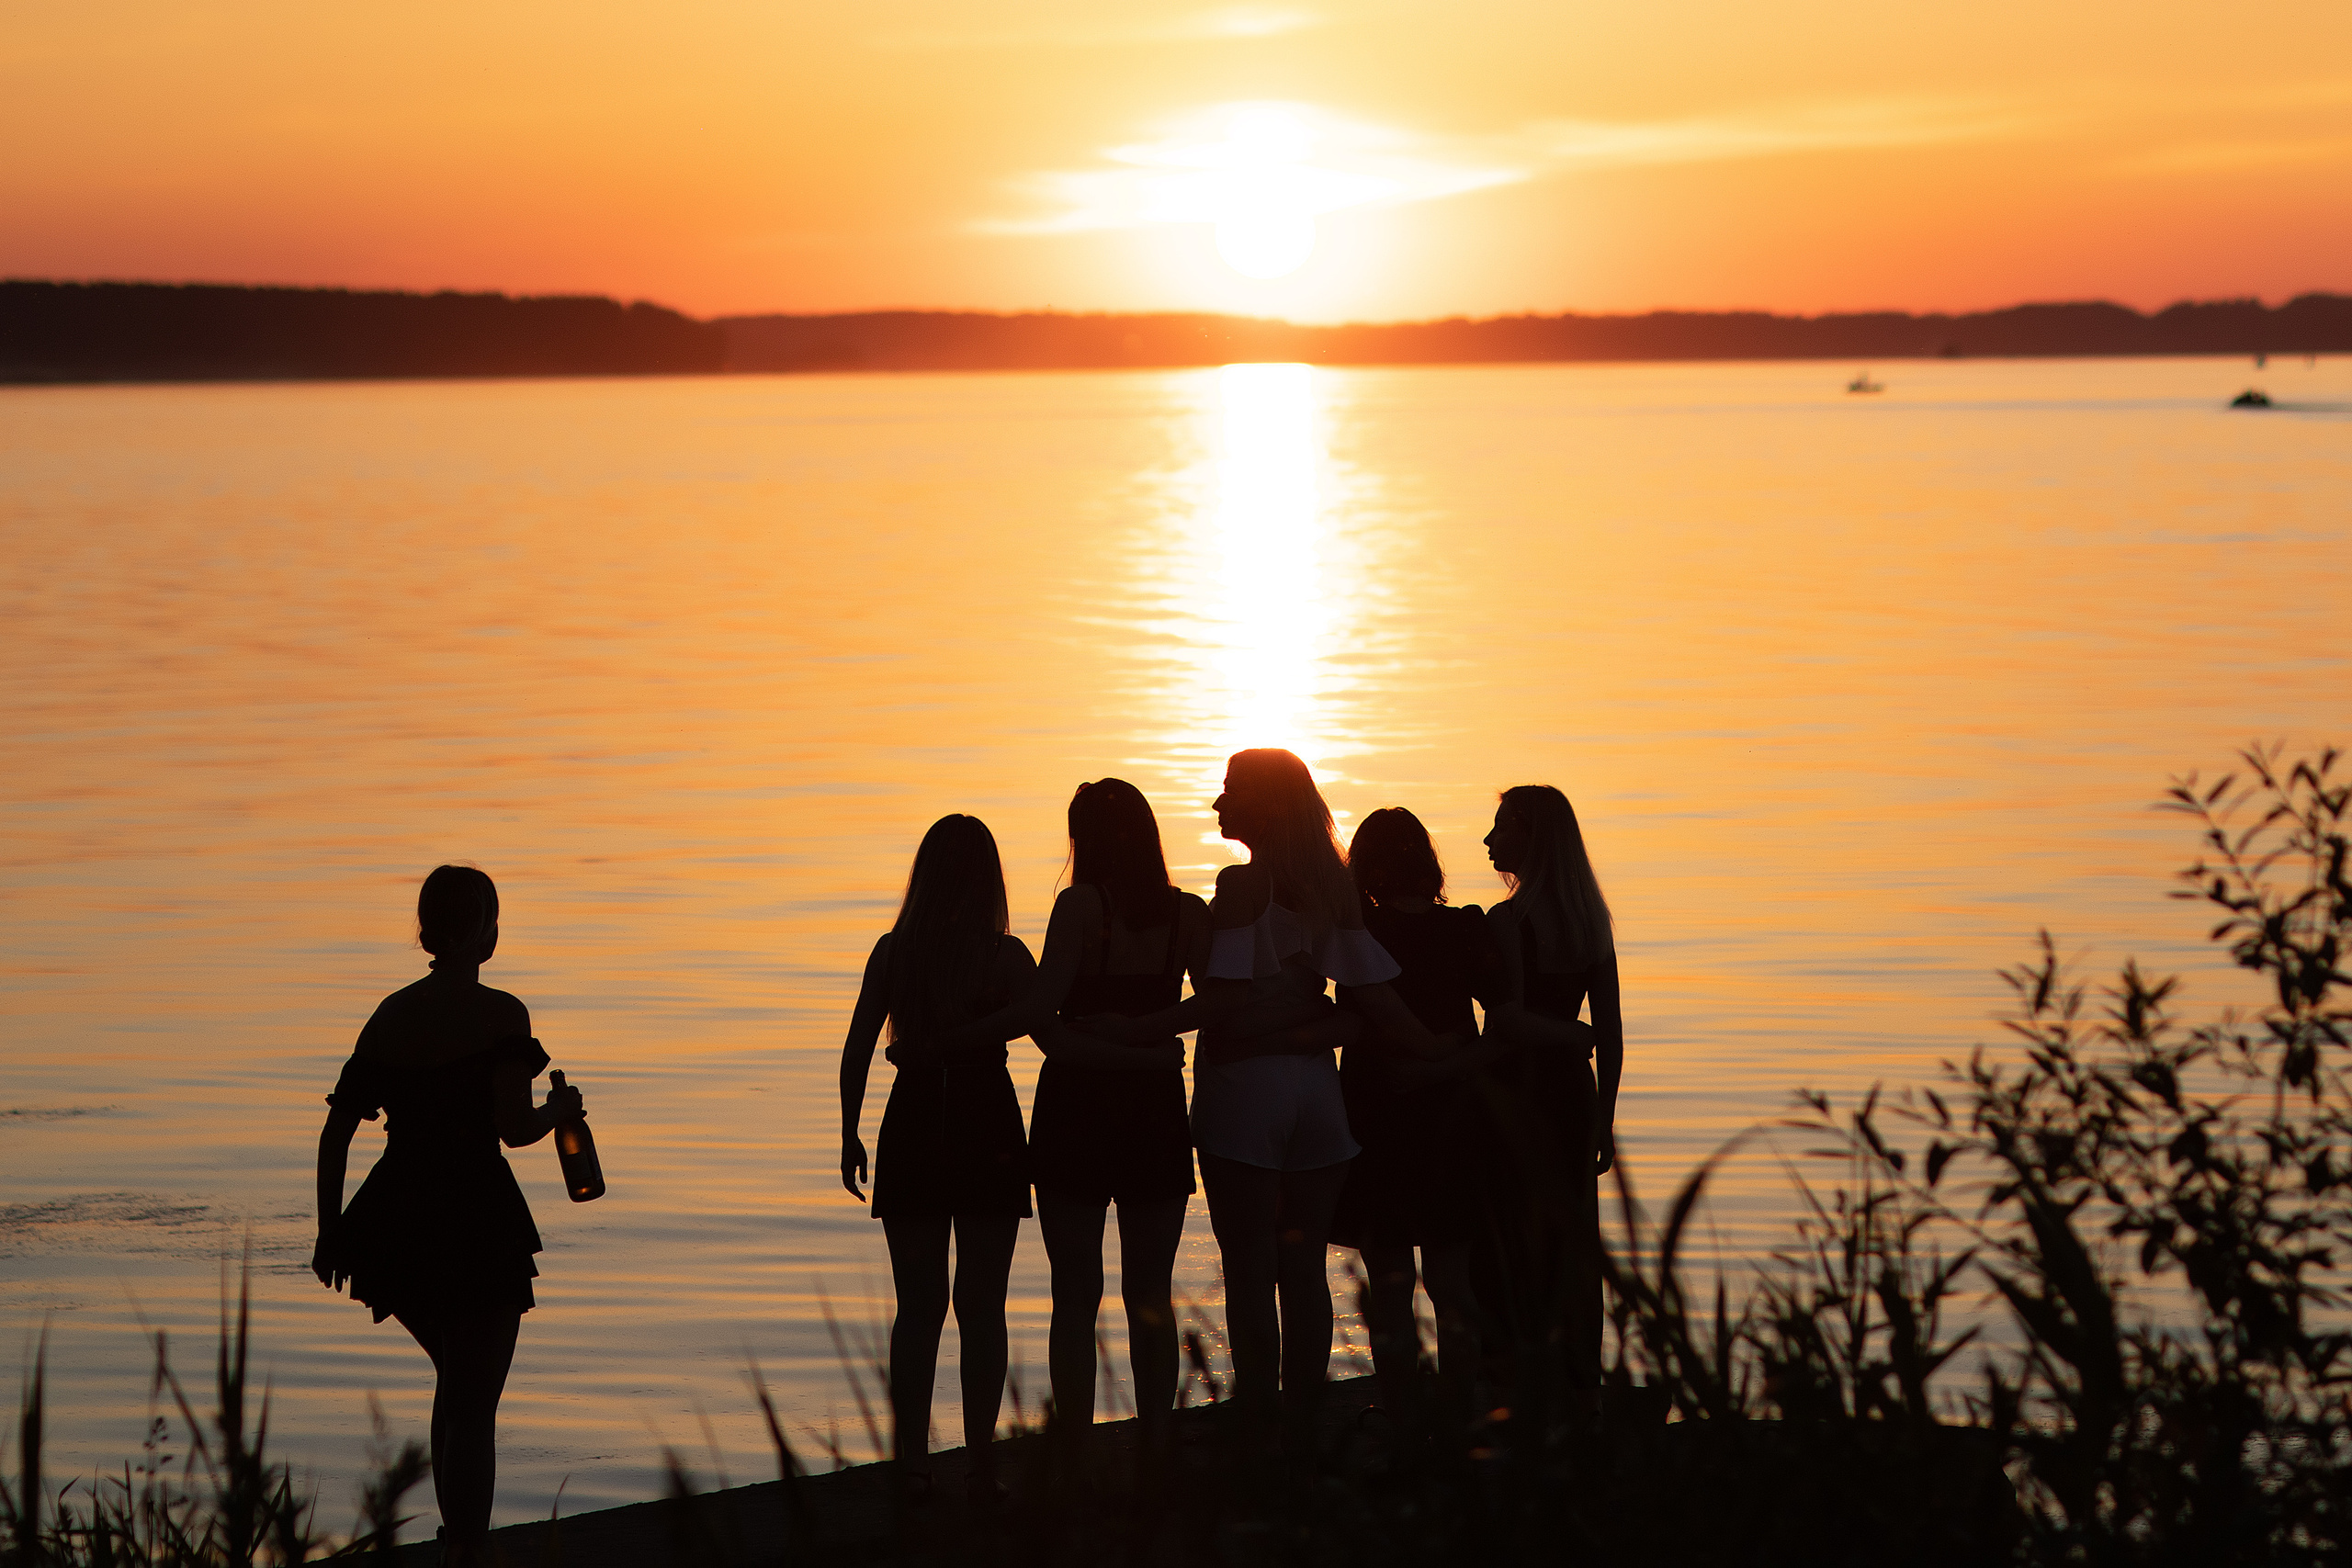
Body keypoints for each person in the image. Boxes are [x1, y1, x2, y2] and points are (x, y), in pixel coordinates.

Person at [1084, 749, 1452, 1457]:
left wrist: (1134, 1029)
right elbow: (1369, 1000)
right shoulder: (1332, 888)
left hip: (1246, 1096)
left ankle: (1260, 1421)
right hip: (1317, 1093)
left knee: (1251, 1269)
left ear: (1262, 804)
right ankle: (1306, 1419)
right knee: (1304, 1267)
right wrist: (1433, 1047)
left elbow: (1223, 1004)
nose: (1217, 802)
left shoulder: (1240, 885)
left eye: (1230, 790)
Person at [922, 780, 1207, 1472]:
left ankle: (1075, 1453)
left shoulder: (1079, 906)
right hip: (1155, 1107)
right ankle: (1157, 1447)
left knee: (1075, 1293)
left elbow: (1038, 1012)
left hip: (1078, 1108)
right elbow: (1215, 1003)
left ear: (1086, 839)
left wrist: (945, 1041)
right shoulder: (1187, 911)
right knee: (1150, 1292)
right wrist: (1148, 1036)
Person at [312, 865, 583, 1568]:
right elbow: (512, 1127)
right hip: (473, 1212)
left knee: (455, 1383)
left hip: (398, 1215)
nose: (499, 930)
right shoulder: (502, 1015)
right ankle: (471, 1543)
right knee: (475, 1396)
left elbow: (336, 1133)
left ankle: (456, 1535)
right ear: (473, 931)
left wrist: (330, 1227)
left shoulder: (391, 1015)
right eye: (493, 918)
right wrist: (561, 1111)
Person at [838, 815, 1034, 1503]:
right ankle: (981, 1463)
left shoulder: (894, 953)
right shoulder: (1005, 956)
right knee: (983, 1305)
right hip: (988, 1121)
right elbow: (1047, 1023)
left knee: (917, 1306)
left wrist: (848, 1130)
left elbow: (860, 1043)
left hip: (914, 1120)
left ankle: (913, 1463)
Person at [1331, 807, 1501, 1450]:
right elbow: (1500, 1027)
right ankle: (1461, 1409)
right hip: (1452, 1115)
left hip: (1379, 1115)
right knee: (1451, 1279)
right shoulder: (1463, 929)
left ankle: (1402, 1413)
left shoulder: (1361, 932)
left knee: (1392, 1282)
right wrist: (1449, 1064)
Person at [1480, 784, 1622, 1407]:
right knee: (1571, 1234)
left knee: (1510, 1233)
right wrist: (1603, 1116)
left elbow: (1504, 1021)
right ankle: (1576, 1370)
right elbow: (1610, 1033)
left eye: (1501, 828)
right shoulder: (1591, 922)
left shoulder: (1505, 921)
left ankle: (1516, 1371)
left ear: (1533, 841)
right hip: (1571, 1093)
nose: (1488, 840)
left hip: (1517, 1093)